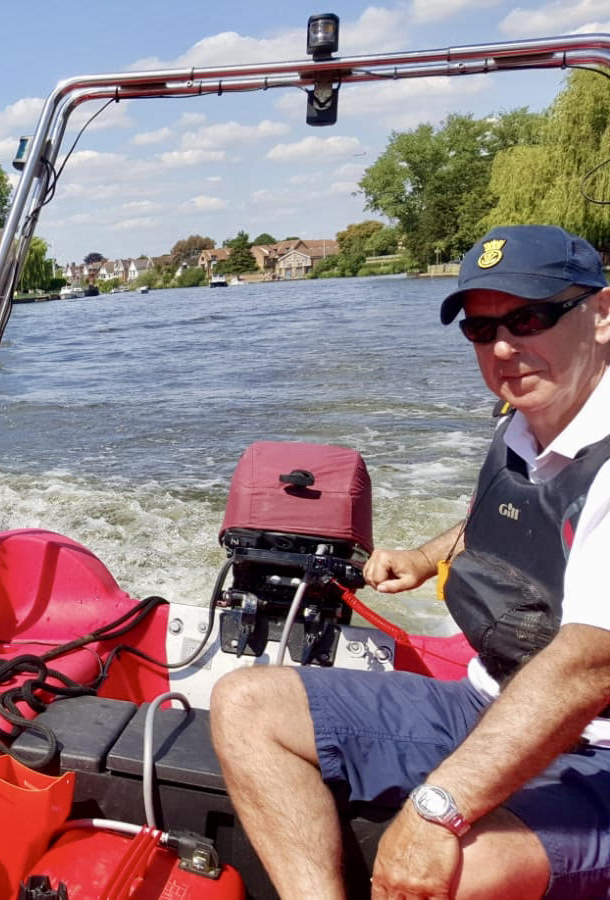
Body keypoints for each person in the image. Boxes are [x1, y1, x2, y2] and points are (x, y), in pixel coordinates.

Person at [210, 224, 610, 899]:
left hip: (598, 754)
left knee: (451, 868)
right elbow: (522, 512)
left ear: (601, 315)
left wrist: (436, 809)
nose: (504, 347)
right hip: (488, 702)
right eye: (482, 330)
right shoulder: (526, 424)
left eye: (530, 317)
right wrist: (427, 557)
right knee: (247, 704)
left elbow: (586, 667)